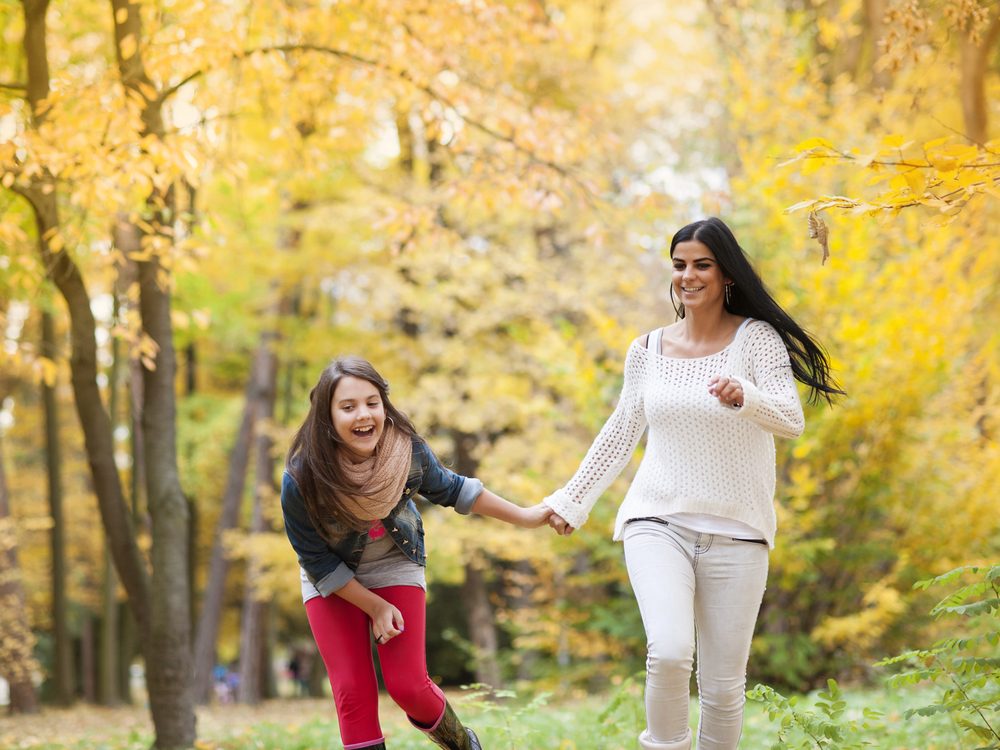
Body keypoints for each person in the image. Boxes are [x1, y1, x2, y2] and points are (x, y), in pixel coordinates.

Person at [543, 217, 843, 750]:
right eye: (680, 265)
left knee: (724, 690)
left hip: (739, 533)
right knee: (670, 651)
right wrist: (574, 499)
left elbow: (792, 420)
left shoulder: (757, 340)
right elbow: (620, 432)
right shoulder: (648, 350)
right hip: (657, 522)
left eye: (702, 265)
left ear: (726, 273)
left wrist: (744, 395)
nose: (689, 276)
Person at [281, 356, 552, 750]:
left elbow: (457, 490)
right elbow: (317, 561)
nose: (364, 415)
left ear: (384, 405)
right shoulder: (302, 477)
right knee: (352, 691)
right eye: (348, 406)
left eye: (372, 403)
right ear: (326, 415)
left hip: (394, 562)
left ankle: (464, 745)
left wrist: (527, 517)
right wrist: (373, 607)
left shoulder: (403, 452)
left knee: (408, 687)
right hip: (332, 578)